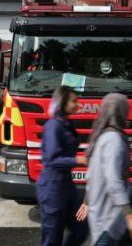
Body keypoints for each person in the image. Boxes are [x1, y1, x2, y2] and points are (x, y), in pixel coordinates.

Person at [84, 93, 132, 245]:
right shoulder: (113, 140)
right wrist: (131, 216)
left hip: (107, 217)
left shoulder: (103, 136)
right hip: (109, 220)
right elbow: (114, 182)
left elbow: (91, 176)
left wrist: (86, 201)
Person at [36, 86, 89, 246]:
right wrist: (78, 161)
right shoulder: (53, 126)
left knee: (81, 228)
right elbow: (52, 159)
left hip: (67, 186)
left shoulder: (66, 122)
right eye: (74, 101)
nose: (77, 105)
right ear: (62, 102)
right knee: (52, 238)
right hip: (52, 188)